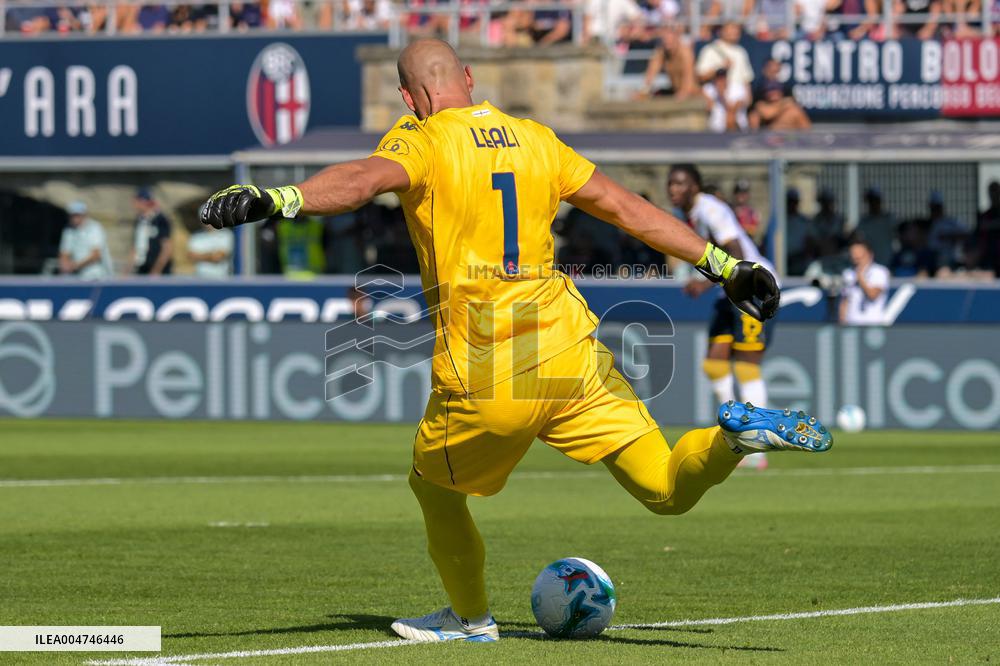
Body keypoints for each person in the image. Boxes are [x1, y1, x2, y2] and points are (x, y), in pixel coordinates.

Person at [200, 39, 829, 643]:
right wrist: (725, 265)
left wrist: (279, 197)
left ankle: (471, 620)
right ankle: (731, 438)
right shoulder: (536, 139)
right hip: (570, 354)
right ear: (468, 79)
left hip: (488, 368)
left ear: (409, 95)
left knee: (433, 487)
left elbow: (365, 178)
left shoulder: (421, 138)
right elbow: (625, 207)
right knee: (665, 488)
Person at [669, 163, 779, 471]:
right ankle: (735, 437)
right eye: (670, 184)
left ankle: (757, 445)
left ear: (695, 187)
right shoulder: (689, 214)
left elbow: (739, 254)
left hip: (754, 289)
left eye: (679, 183)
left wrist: (703, 283)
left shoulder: (711, 210)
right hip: (730, 292)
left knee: (747, 368)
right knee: (714, 363)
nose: (672, 189)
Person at [749, 58, 811, 131]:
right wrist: (781, 105)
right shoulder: (758, 87)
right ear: (765, 69)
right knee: (754, 117)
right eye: (771, 68)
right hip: (766, 123)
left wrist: (779, 107)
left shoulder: (786, 86)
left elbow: (791, 103)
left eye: (776, 69)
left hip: (782, 121)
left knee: (795, 112)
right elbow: (765, 112)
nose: (774, 71)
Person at [840, 238, 890, 326]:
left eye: (860, 256)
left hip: (873, 323)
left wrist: (860, 278)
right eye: (854, 256)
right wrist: (842, 321)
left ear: (869, 255)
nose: (857, 260)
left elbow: (873, 295)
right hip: (852, 323)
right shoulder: (848, 273)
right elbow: (845, 300)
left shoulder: (879, 272)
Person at [58, 201, 113, 280]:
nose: (74, 218)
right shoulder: (68, 231)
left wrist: (75, 266)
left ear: (84, 215)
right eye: (72, 215)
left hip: (98, 276)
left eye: (77, 215)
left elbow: (96, 255)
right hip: (79, 277)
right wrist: (65, 264)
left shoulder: (95, 228)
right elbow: (64, 253)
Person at [640, 25, 698, 99]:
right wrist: (644, 91)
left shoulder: (685, 53)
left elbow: (689, 77)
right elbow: (651, 73)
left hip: (692, 92)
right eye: (665, 39)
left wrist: (684, 92)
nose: (667, 42)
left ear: (676, 37)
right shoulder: (661, 52)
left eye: (669, 39)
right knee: (653, 96)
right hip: (675, 91)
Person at [130, 188, 173, 276]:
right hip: (142, 270)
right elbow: (136, 248)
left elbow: (166, 249)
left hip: (159, 272)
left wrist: (156, 271)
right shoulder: (140, 221)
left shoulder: (161, 220)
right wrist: (127, 272)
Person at [855, 186, 896, 267]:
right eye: (871, 200)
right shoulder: (863, 222)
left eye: (875, 200)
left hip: (888, 263)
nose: (873, 203)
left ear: (880, 201)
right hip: (870, 265)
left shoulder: (889, 219)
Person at [925, 191, 966, 272]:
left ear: (942, 207)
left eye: (937, 207)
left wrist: (948, 236)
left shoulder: (951, 222)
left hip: (949, 259)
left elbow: (966, 233)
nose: (935, 210)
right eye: (933, 207)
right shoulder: (926, 224)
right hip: (930, 259)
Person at [703, 68, 748, 132]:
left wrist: (722, 96)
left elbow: (733, 110)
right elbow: (708, 107)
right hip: (715, 129)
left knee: (730, 118)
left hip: (735, 128)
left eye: (723, 78)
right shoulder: (709, 88)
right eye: (718, 79)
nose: (721, 81)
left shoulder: (738, 88)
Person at [970, 180, 1000, 275]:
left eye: (996, 191)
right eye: (992, 191)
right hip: (987, 257)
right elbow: (976, 235)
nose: (994, 195)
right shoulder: (984, 216)